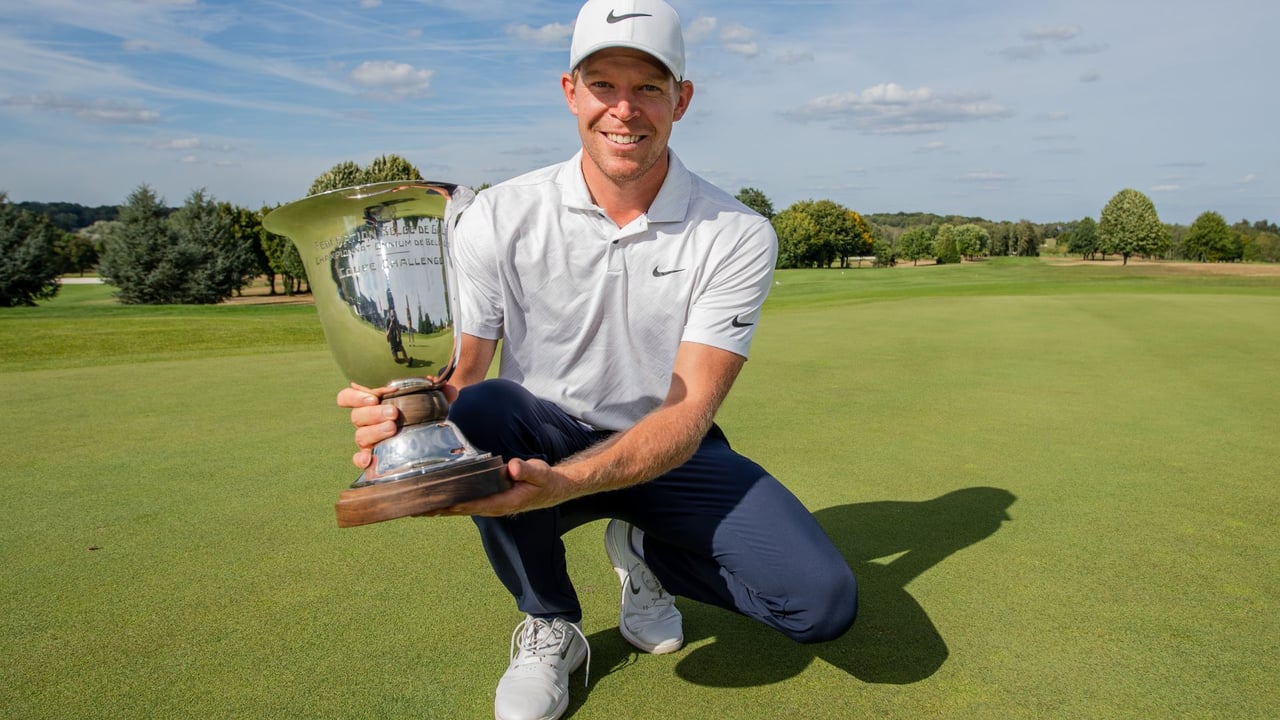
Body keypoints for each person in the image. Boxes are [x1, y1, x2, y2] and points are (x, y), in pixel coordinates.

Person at [338, 1, 857, 718]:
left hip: (669, 443)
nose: (624, 109)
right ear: (569, 92)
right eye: (602, 84)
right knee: (483, 413)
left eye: (648, 87)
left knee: (820, 605)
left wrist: (567, 486)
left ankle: (645, 548)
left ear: (683, 98)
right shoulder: (498, 213)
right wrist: (407, 421)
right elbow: (463, 378)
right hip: (535, 431)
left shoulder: (736, 232)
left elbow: (689, 407)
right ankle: (551, 621)